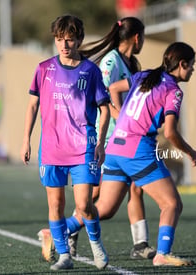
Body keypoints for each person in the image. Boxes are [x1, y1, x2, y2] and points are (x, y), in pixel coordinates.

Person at [62, 41, 196, 266]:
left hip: (116, 147)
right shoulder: (173, 90)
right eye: (192, 65)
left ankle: (56, 231)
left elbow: (113, 88)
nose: (193, 69)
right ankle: (162, 254)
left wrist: (120, 116)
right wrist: (190, 152)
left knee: (104, 209)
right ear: (182, 64)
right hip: (138, 150)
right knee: (171, 204)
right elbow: (170, 132)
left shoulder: (145, 76)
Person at [20, 15, 110, 271]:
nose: (64, 45)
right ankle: (64, 255)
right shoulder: (43, 68)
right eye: (60, 40)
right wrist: (26, 139)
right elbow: (33, 104)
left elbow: (105, 109)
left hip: (83, 148)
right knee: (55, 205)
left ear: (79, 40)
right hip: (51, 148)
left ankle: (96, 245)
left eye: (69, 40)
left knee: (84, 204)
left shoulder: (90, 71)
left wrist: (101, 142)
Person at [63, 17, 157, 260]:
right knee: (95, 194)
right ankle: (67, 231)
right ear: (137, 37)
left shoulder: (132, 63)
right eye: (143, 38)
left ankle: (140, 243)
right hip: (107, 139)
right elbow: (102, 98)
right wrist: (123, 121)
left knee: (137, 187)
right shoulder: (111, 61)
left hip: (128, 139)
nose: (143, 42)